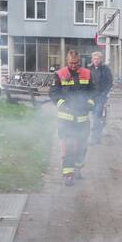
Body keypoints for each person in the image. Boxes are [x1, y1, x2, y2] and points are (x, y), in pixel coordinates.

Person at [50, 49, 95, 185]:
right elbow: (53, 93)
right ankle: (67, 174)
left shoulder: (87, 74)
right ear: (66, 61)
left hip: (82, 119)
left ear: (79, 61)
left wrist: (90, 104)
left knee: (82, 146)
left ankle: (78, 169)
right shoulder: (60, 74)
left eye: (75, 63)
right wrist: (62, 104)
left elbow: (93, 92)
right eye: (71, 63)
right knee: (69, 146)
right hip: (66, 119)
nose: (73, 66)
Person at [87, 51, 113, 144]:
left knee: (96, 116)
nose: (95, 60)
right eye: (94, 58)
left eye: (97, 58)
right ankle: (83, 135)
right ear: (92, 59)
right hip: (90, 97)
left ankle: (95, 138)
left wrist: (104, 94)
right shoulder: (89, 69)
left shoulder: (105, 69)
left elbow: (109, 83)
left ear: (100, 59)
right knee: (86, 116)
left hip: (100, 97)